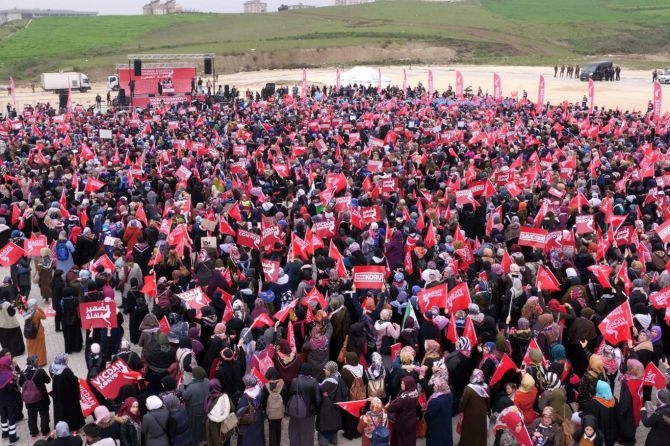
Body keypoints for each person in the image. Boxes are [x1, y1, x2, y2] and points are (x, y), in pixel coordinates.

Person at [50, 353, 85, 433]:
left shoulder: (52, 368)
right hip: (69, 395)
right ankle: (74, 428)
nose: (67, 360)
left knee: (61, 412)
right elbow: (74, 380)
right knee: (71, 412)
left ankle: (62, 428)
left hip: (58, 394)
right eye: (66, 359)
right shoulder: (66, 371)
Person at [288, 363, 320, 446]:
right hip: (309, 412)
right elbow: (318, 399)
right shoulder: (314, 382)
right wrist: (316, 409)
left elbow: (290, 394)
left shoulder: (295, 381)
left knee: (294, 430)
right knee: (308, 432)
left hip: (296, 410)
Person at [19, 355, 51, 440]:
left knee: (31, 416)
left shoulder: (23, 372)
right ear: (35, 362)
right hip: (41, 398)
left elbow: (20, 383)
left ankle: (34, 433)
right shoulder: (40, 371)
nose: (38, 362)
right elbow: (48, 381)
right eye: (37, 361)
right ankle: (45, 432)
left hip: (29, 399)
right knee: (44, 414)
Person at [317, 361, 347, 446]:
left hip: (327, 406)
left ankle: (324, 442)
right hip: (335, 405)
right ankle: (334, 440)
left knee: (325, 424)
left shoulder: (329, 381)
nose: (324, 370)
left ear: (330, 370)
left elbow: (319, 388)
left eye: (326, 369)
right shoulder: (338, 377)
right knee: (334, 424)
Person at [459, 369, 489, 446]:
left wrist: (461, 410)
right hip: (482, 413)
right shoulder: (486, 387)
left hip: (470, 414)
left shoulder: (469, 388)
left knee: (469, 431)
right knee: (480, 431)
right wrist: (487, 410)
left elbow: (463, 402)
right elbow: (488, 401)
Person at [180, 366, 209, 445]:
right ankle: (205, 440)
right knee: (203, 427)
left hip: (194, 411)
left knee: (195, 428)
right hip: (206, 409)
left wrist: (181, 386)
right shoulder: (207, 381)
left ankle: (197, 442)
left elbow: (185, 396)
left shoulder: (192, 387)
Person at [386, 375, 418, 446]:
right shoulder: (414, 392)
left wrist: (388, 405)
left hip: (403, 422)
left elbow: (391, 407)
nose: (401, 385)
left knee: (402, 440)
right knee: (409, 439)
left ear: (408, 384)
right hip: (411, 420)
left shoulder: (404, 398)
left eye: (403, 383)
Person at [583, 380, 618, 446]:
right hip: (613, 433)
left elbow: (589, 419)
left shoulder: (594, 404)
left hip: (600, 435)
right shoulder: (614, 400)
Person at [424, 373, 453, 446]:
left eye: (435, 385)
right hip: (446, 424)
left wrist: (425, 414)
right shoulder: (449, 395)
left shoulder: (436, 401)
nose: (433, 387)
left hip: (436, 426)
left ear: (439, 387)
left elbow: (429, 415)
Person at [236, 374, 265, 446]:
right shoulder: (259, 390)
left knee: (249, 439)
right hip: (258, 418)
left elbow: (240, 413)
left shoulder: (245, 397)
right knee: (258, 436)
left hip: (249, 421)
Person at [0, 354, 20, 444]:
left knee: (3, 417)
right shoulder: (8, 375)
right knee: (11, 418)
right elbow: (12, 388)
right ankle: (12, 437)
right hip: (9, 401)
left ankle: (4, 433)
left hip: (1, 402)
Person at [24, 298, 47, 366]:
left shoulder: (26, 312)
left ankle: (31, 362)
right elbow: (44, 317)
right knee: (40, 347)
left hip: (29, 333)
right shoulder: (36, 313)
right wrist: (39, 309)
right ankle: (41, 362)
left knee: (31, 348)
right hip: (38, 333)